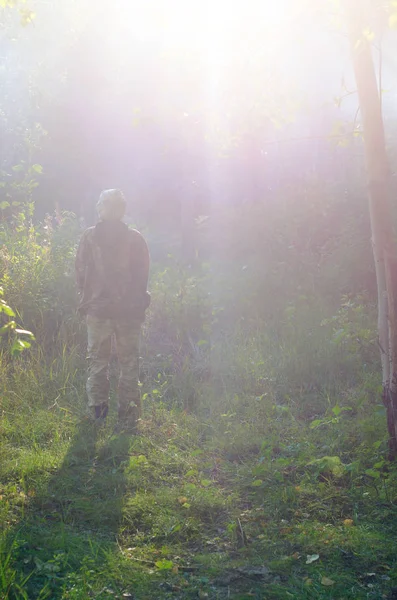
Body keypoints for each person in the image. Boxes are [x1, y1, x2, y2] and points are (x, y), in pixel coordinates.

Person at [75, 189, 150, 431]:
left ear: (100, 208)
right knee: (129, 362)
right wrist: (138, 302)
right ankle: (128, 416)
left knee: (97, 362)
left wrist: (89, 298)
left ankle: (98, 412)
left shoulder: (88, 237)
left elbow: (79, 273)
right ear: (122, 209)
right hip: (128, 313)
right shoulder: (135, 238)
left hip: (98, 312)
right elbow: (143, 276)